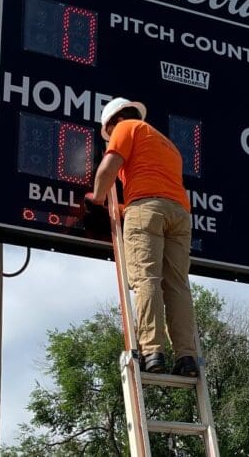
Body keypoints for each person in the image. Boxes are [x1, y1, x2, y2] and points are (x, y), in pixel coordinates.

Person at [86, 97, 199, 376]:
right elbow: (157, 188)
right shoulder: (167, 145)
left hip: (146, 209)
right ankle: (186, 356)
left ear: (113, 122)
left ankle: (152, 351)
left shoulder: (126, 128)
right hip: (179, 215)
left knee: (146, 279)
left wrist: (97, 197)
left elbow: (110, 165)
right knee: (177, 286)